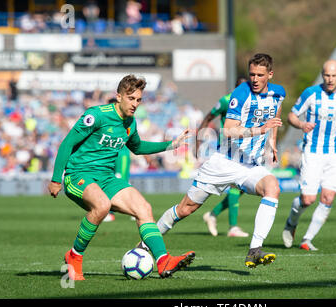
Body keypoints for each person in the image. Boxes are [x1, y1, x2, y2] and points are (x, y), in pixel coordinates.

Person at [48, 75, 195, 281]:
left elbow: (137, 146)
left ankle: (163, 261)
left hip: (106, 178)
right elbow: (67, 143)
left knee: (143, 208)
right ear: (119, 96)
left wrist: (170, 145)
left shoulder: (130, 123)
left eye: (138, 100)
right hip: (79, 174)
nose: (135, 104)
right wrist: (56, 179)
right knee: (102, 206)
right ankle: (74, 256)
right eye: (131, 98)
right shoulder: (97, 115)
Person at [150, 53, 285, 268]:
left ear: (270, 74)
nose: (255, 79)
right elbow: (229, 131)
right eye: (252, 74)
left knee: (272, 187)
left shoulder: (279, 93)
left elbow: (275, 117)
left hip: (250, 165)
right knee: (186, 209)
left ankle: (254, 250)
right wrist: (260, 130)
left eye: (260, 75)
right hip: (224, 163)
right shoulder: (240, 94)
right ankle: (146, 245)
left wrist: (272, 142)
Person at [281, 60, 336, 251]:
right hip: (313, 152)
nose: (330, 79)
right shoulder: (311, 93)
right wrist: (301, 125)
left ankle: (307, 239)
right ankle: (291, 223)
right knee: (308, 200)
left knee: (328, 198)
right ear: (323, 75)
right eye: (327, 75)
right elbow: (292, 116)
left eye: (334, 76)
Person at [197, 76, 249, 238]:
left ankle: (212, 215)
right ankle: (233, 227)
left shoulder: (251, 102)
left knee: (242, 188)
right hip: (228, 149)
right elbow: (208, 118)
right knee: (235, 187)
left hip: (245, 149)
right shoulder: (226, 101)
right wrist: (198, 142)